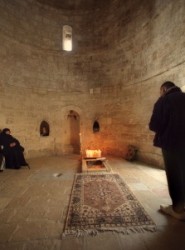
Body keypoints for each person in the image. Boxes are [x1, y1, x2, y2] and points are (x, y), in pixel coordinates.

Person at [149, 81, 185, 220]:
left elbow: (155, 125)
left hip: (172, 143)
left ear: (163, 89)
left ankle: (178, 209)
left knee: (174, 174)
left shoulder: (164, 100)